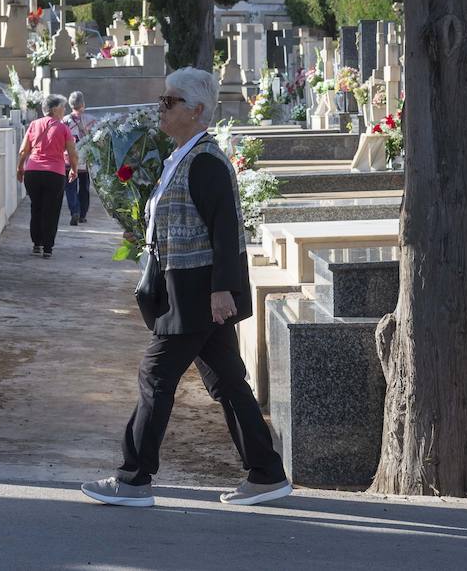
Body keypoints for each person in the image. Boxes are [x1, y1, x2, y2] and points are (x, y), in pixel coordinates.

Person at [82, 67, 291, 509]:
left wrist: (223, 291)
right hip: (186, 288)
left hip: (196, 293)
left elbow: (226, 231)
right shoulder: (183, 155)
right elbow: (182, 219)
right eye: (163, 99)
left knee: (155, 376)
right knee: (228, 382)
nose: (161, 108)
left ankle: (133, 478)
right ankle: (266, 473)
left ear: (197, 111)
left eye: (170, 101)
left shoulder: (206, 161)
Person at [16, 94, 78, 259]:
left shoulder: (34, 125)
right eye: (62, 107)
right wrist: (74, 169)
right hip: (55, 174)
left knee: (36, 207)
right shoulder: (63, 128)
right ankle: (48, 248)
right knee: (52, 209)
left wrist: (19, 167)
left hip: (33, 172)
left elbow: (23, 150)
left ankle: (37, 243)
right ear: (54, 109)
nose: (64, 110)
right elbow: (73, 153)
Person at [64, 91, 96, 226]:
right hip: (85, 159)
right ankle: (82, 214)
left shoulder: (64, 121)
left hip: (68, 160)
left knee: (70, 187)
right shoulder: (91, 119)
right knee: (84, 187)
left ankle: (74, 211)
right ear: (83, 103)